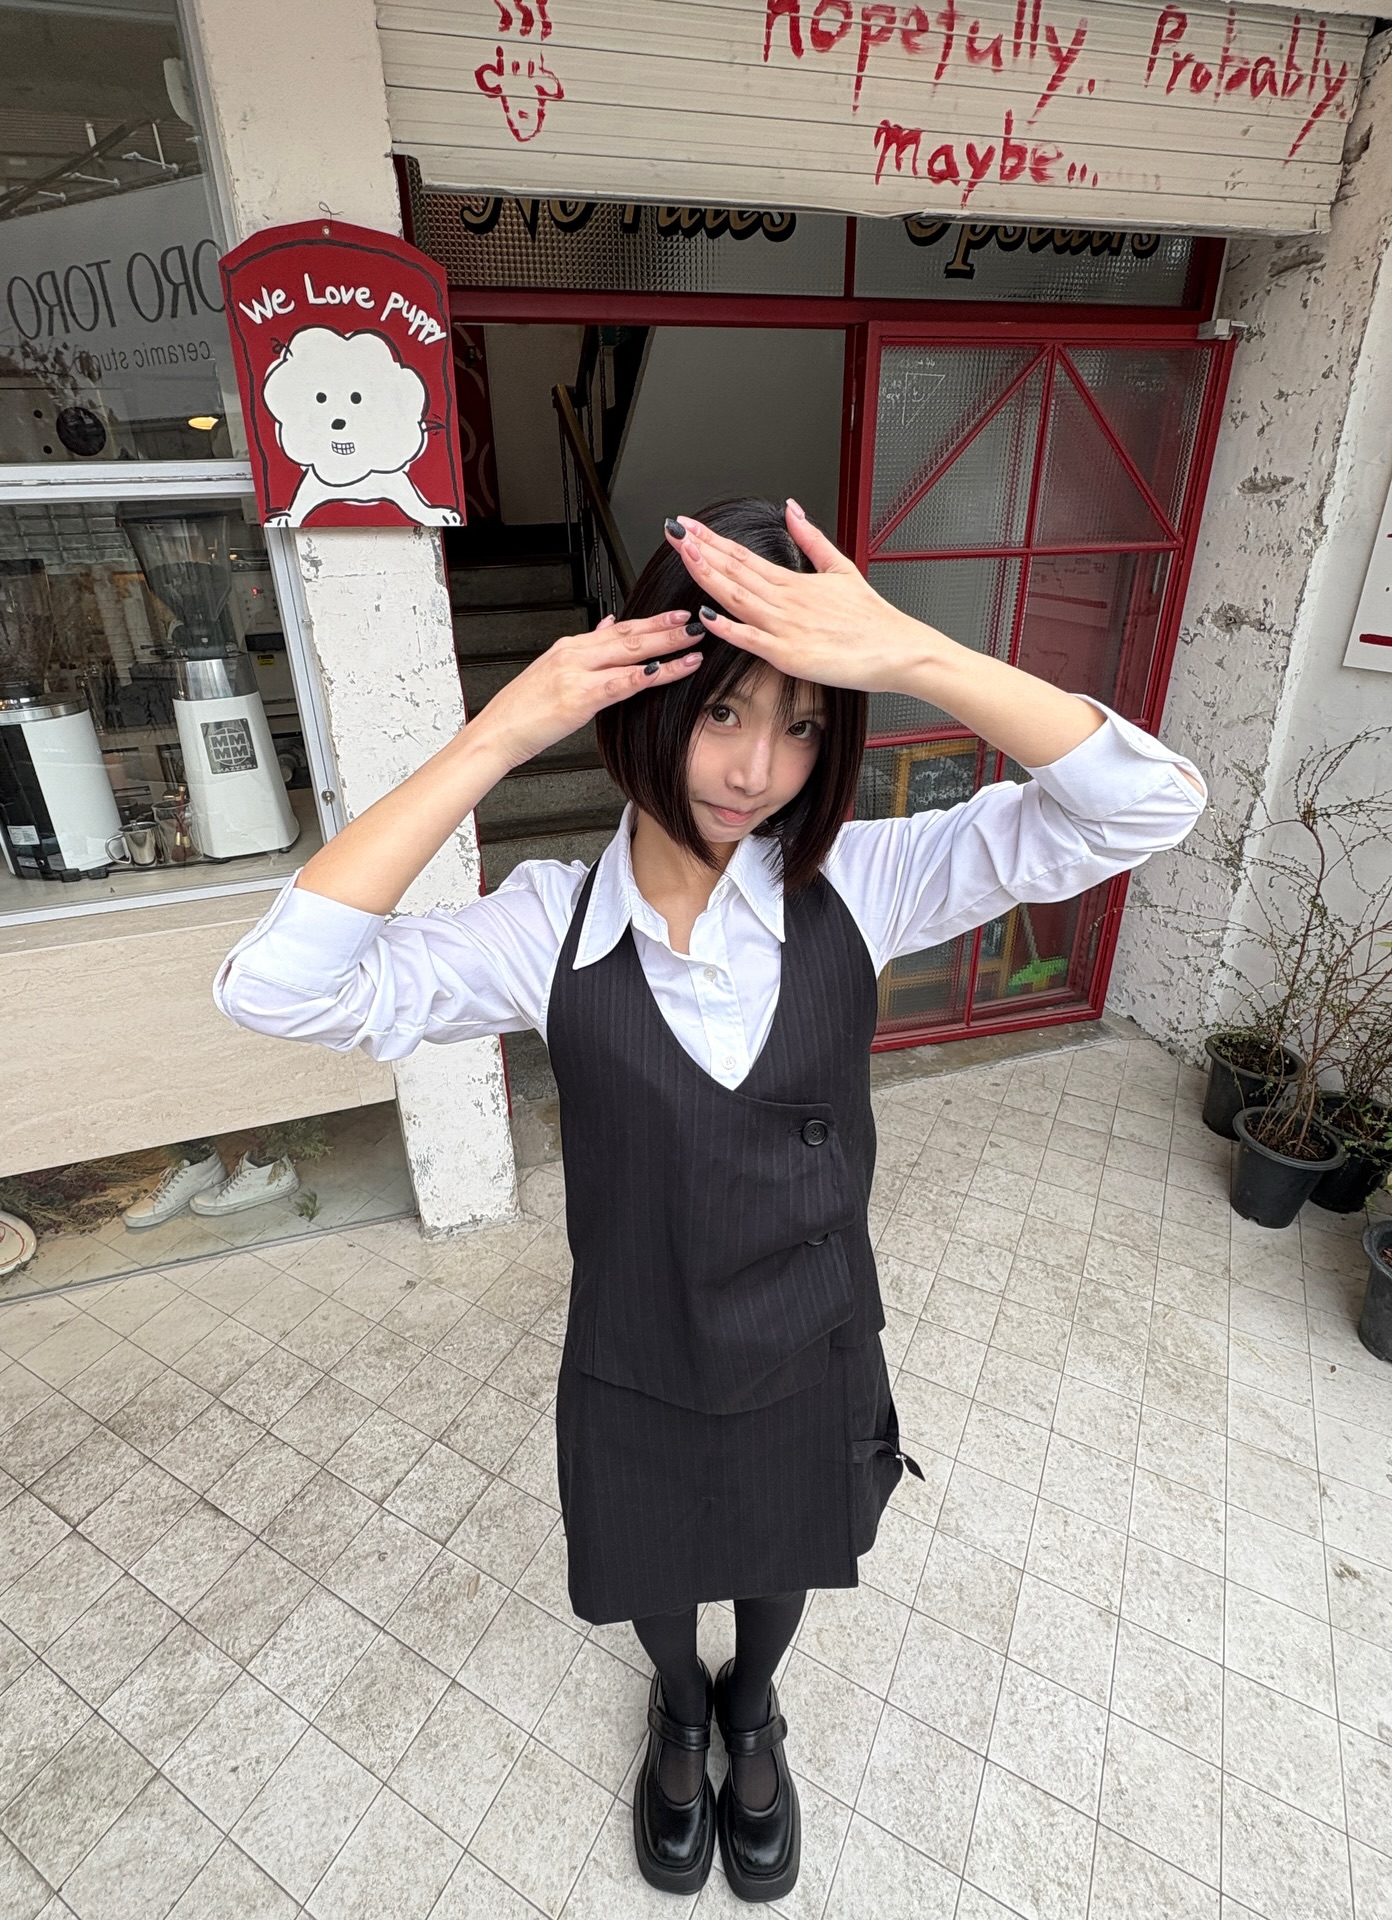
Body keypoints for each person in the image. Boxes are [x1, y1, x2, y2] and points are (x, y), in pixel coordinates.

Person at [213, 497, 1206, 1902]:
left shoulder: (863, 883)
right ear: (644, 698)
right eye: (725, 712)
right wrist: (498, 735)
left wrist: (909, 653)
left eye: (802, 724)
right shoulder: (547, 928)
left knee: (788, 1545)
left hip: (813, 1329)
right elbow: (275, 990)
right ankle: (682, 1710)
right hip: (639, 1343)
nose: (756, 770)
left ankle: (755, 1710)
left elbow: (1151, 804)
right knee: (655, 1566)